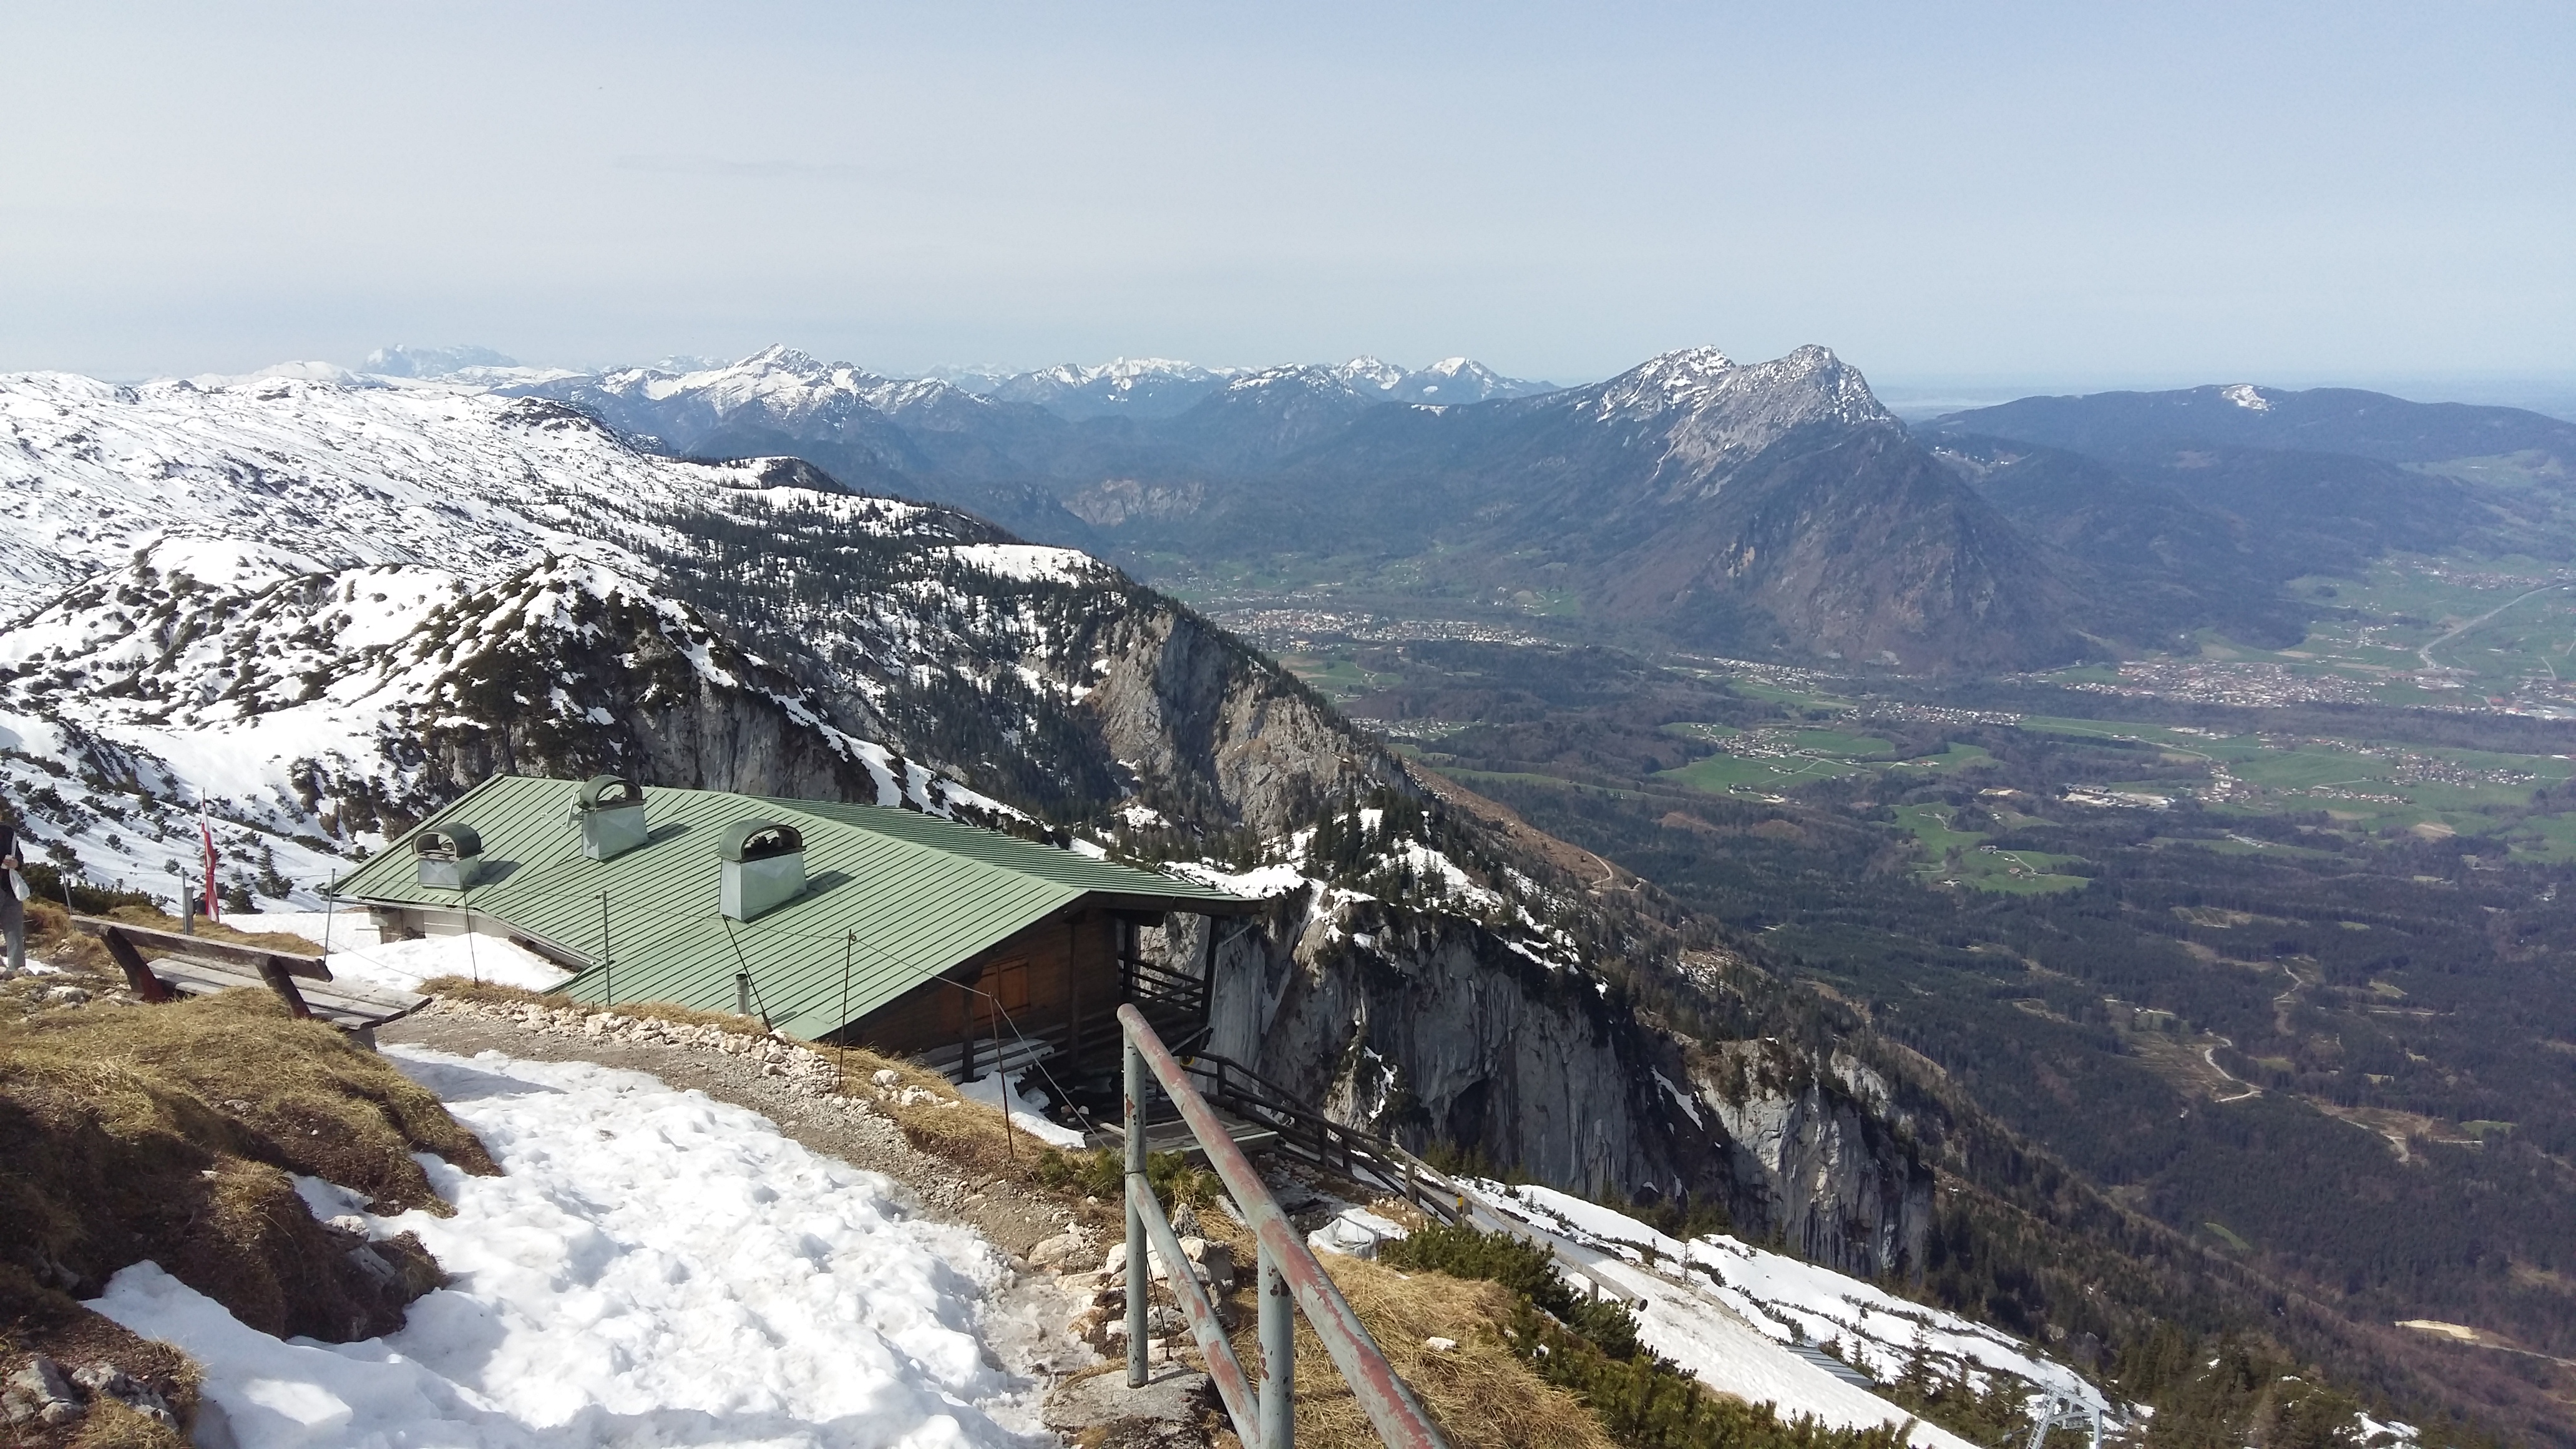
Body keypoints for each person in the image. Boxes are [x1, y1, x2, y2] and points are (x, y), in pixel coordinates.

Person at [0, 816, 23, 975]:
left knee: (15, 931)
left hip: (10, 888)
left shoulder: (8, 832)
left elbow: (19, 857)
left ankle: (18, 971)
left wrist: (16, 863)